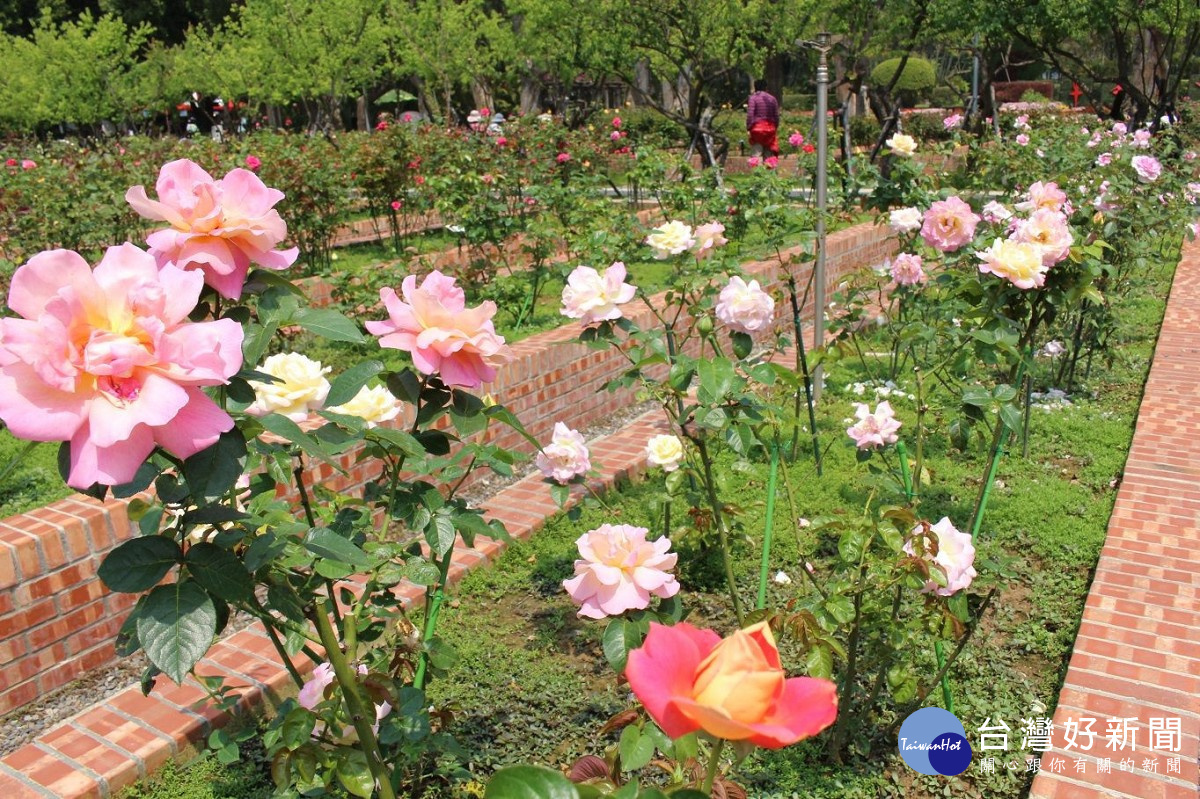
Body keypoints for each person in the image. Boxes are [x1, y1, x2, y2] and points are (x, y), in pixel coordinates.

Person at [746, 79, 780, 157]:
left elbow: (750, 114)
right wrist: (775, 127)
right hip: (770, 130)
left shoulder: (753, 98)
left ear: (755, 87)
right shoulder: (772, 99)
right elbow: (776, 116)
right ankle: (769, 168)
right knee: (768, 155)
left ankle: (756, 168)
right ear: (766, 87)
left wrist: (748, 127)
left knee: (756, 154)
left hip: (757, 130)